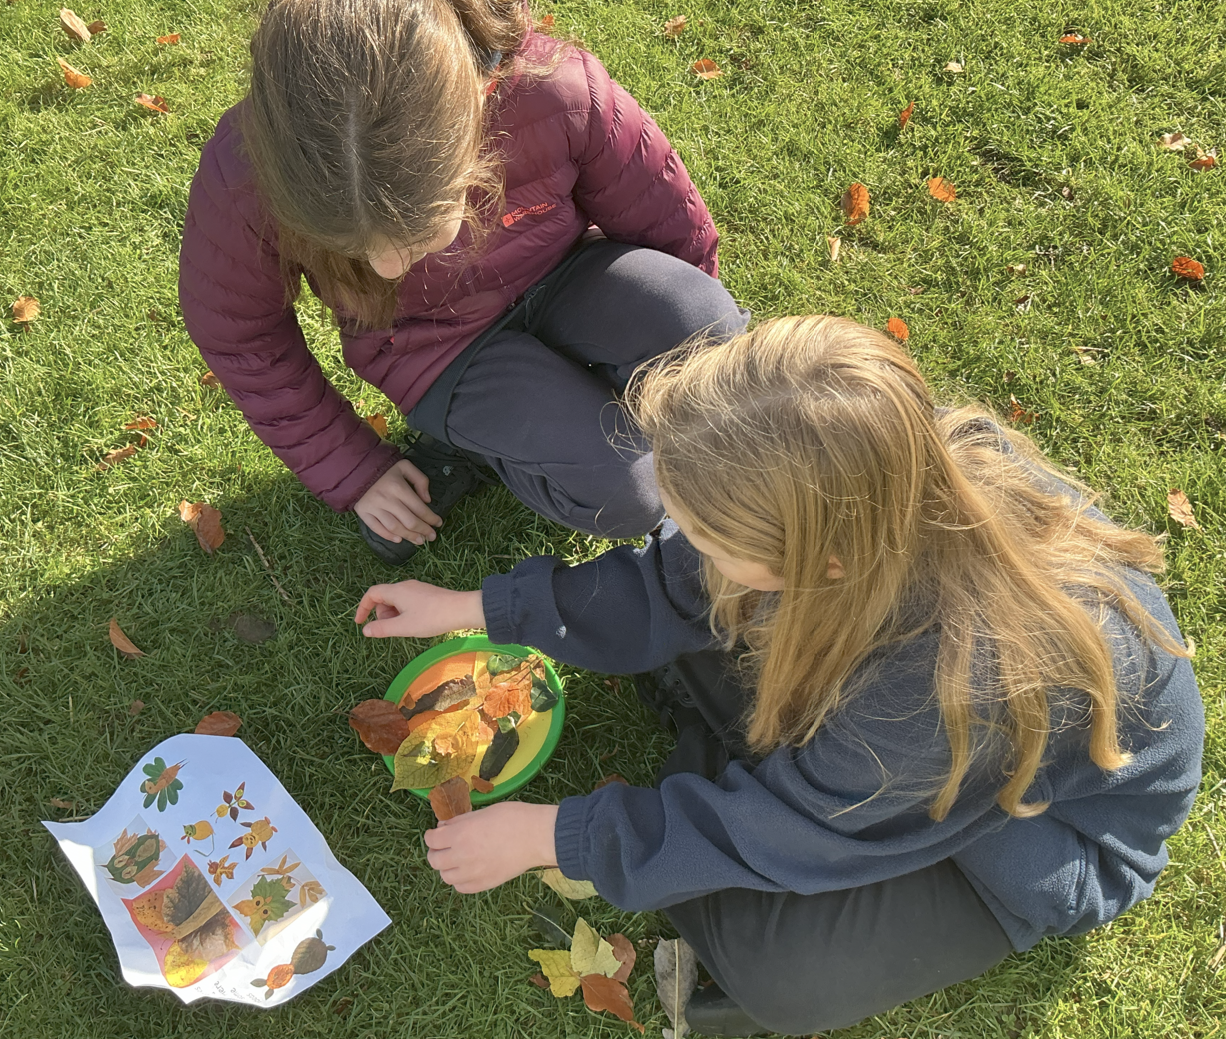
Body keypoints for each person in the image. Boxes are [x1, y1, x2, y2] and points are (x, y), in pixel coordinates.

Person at [353, 316, 1204, 1036]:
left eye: (711, 534)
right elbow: (669, 578)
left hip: (1030, 836)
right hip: (886, 730)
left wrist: (552, 836)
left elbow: (782, 831)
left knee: (779, 970)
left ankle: (713, 773)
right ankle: (717, 757)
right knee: (695, 624)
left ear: (820, 560)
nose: (688, 543)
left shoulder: (945, 686)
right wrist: (475, 606)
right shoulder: (861, 478)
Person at [179, 0, 746, 564]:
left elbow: (666, 223)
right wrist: (353, 469)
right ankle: (468, 445)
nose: (388, 271)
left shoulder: (553, 90)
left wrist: (675, 338)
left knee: (710, 329)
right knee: (629, 493)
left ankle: (543, 409)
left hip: (572, 272)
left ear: (478, 109)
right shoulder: (243, 177)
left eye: (424, 233)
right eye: (356, 251)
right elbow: (241, 336)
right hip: (435, 347)